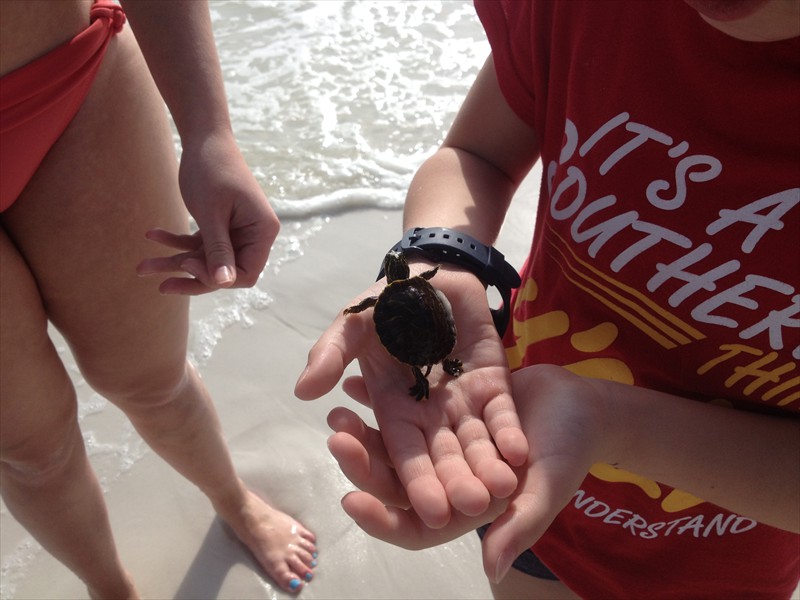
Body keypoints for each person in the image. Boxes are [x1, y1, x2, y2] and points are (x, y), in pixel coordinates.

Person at [296, 0, 800, 598]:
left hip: (720, 565)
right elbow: (476, 154)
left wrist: (610, 421)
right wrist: (441, 254)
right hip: (520, 465)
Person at [1, 0, 317, 596]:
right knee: (31, 450)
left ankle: (235, 501)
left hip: (63, 80)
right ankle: (110, 588)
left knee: (151, 378)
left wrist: (209, 131)